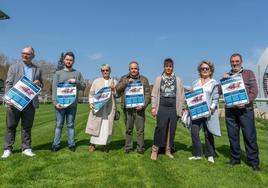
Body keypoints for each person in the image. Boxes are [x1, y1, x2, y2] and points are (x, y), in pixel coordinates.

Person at [1, 47, 43, 158]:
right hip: (14, 101)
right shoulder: (13, 67)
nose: (25, 55)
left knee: (27, 127)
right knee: (11, 126)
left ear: (33, 56)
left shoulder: (37, 70)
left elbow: (40, 85)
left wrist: (38, 84)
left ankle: (26, 148)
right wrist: (8, 98)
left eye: (28, 54)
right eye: (23, 53)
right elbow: (8, 84)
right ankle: (7, 148)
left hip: (30, 103)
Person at [222, 53, 260, 171]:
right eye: (233, 61)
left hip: (246, 110)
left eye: (237, 61)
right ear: (230, 62)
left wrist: (246, 101)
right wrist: (223, 80)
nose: (235, 63)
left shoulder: (249, 73)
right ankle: (235, 159)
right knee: (233, 136)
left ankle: (253, 162)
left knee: (249, 136)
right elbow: (219, 90)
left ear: (241, 62)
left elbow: (254, 91)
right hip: (231, 111)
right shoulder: (227, 75)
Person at [150, 58, 184, 160]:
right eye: (166, 66)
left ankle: (168, 150)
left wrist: (181, 108)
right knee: (160, 128)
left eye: (170, 66)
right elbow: (154, 94)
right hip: (162, 105)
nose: (168, 68)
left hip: (173, 106)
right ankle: (155, 150)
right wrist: (153, 107)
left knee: (171, 129)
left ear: (172, 67)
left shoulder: (178, 80)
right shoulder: (158, 79)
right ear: (164, 67)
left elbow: (181, 95)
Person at [51, 51, 85, 152]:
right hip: (60, 104)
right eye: (67, 59)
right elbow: (54, 89)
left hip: (72, 104)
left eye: (70, 60)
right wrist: (55, 102)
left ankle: (71, 144)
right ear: (64, 60)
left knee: (70, 125)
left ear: (73, 61)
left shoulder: (77, 73)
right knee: (59, 125)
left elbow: (83, 86)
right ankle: (56, 145)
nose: (68, 61)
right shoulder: (58, 73)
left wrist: (76, 82)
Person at [188, 61, 220, 163]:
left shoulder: (214, 83)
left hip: (208, 113)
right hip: (196, 112)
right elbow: (192, 97)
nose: (205, 70)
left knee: (208, 133)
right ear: (199, 71)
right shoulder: (195, 83)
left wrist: (211, 109)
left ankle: (210, 154)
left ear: (210, 71)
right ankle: (197, 154)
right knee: (194, 132)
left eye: (207, 68)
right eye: (202, 69)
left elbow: (215, 98)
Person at [116, 61, 150, 154]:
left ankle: (140, 148)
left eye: (135, 68)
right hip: (127, 108)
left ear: (138, 69)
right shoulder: (124, 78)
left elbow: (147, 94)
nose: (134, 70)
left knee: (140, 130)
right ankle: (128, 147)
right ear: (129, 69)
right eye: (132, 68)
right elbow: (117, 89)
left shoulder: (144, 79)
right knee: (128, 129)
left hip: (139, 108)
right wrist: (127, 82)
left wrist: (143, 105)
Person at [85, 64, 117, 152]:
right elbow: (91, 94)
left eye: (107, 70)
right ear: (101, 71)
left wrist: (114, 89)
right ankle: (93, 144)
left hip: (109, 109)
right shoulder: (96, 81)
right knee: (96, 125)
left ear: (110, 71)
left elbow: (117, 95)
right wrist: (91, 103)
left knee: (107, 127)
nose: (105, 72)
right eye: (103, 70)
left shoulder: (114, 81)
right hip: (98, 108)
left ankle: (105, 145)